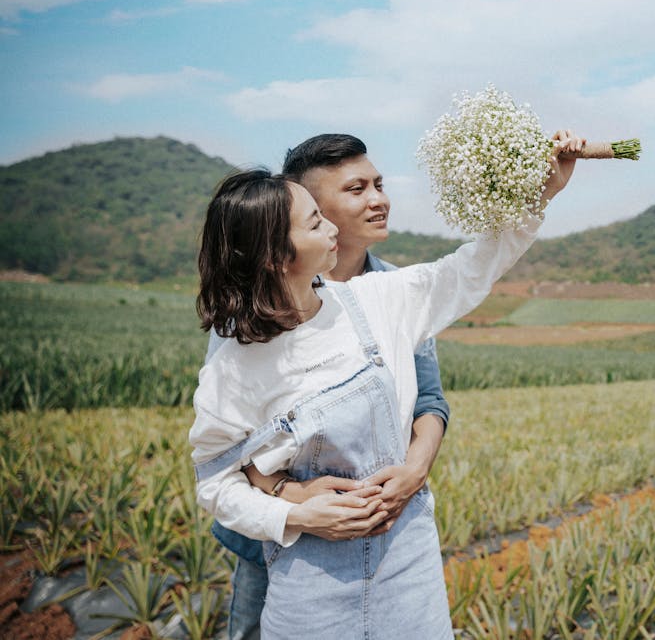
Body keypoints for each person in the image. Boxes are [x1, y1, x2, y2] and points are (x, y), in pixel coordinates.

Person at [190, 132, 582, 638]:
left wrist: (540, 194)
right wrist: (296, 510)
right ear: (274, 254)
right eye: (316, 220)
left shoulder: (381, 297)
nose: (332, 227)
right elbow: (218, 477)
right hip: (302, 572)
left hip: (405, 552)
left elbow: (471, 270)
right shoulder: (235, 359)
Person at [205, 134, 451, 640]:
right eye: (356, 189)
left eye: (379, 184)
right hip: (275, 538)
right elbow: (237, 437)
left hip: (378, 527)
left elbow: (429, 400)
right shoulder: (250, 310)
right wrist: (290, 497)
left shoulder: (394, 290)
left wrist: (413, 471)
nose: (379, 199)